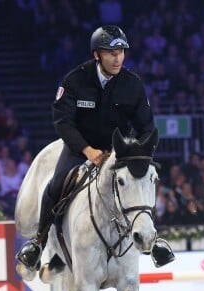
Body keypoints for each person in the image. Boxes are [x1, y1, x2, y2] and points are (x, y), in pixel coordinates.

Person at [16, 25, 174, 270]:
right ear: (96, 55)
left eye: (121, 51)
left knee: (143, 183)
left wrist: (138, 153)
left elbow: (146, 126)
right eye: (110, 52)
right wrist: (87, 150)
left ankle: (154, 241)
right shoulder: (75, 80)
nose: (117, 57)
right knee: (55, 186)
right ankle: (38, 242)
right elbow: (63, 122)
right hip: (80, 146)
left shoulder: (133, 84)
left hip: (120, 150)